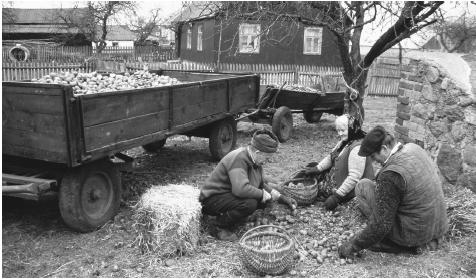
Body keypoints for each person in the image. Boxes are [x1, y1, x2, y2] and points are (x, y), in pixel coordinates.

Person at [338, 126, 448, 257]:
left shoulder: (390, 175)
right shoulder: (413, 148)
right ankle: (426, 240)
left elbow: (381, 225)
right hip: (438, 226)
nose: (374, 162)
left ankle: (401, 245)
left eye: (373, 156)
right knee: (371, 186)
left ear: (384, 149)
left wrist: (353, 245)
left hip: (414, 235)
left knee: (362, 186)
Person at [199, 129, 297, 241]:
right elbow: (240, 189)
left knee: (262, 200)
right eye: (267, 157)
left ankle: (232, 217)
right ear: (258, 153)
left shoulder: (255, 160)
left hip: (227, 195)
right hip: (212, 199)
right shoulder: (239, 159)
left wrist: (281, 197)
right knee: (250, 203)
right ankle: (218, 226)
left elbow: (260, 184)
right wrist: (261, 194)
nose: (268, 161)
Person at [304, 114, 374, 210]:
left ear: (352, 128)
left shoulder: (357, 148)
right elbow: (330, 157)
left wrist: (337, 197)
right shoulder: (344, 141)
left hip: (349, 190)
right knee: (311, 172)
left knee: (315, 190)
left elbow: (354, 178)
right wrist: (317, 168)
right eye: (338, 130)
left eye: (343, 130)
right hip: (336, 181)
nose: (340, 134)